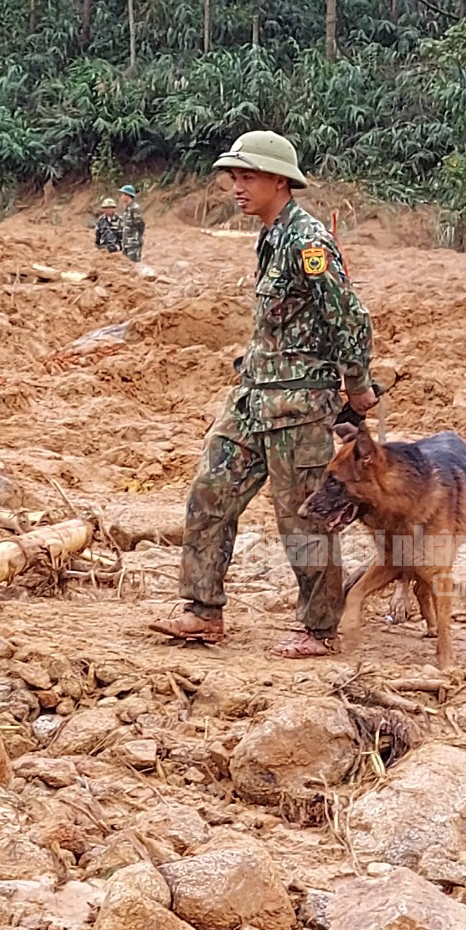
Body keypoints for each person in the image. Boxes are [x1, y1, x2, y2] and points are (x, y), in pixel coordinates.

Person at [153, 130, 374, 660]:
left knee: (302, 516)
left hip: (300, 407)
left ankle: (321, 627)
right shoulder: (270, 236)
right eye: (235, 176)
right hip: (254, 398)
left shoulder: (308, 243)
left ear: (280, 181)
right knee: (210, 492)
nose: (236, 187)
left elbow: (350, 317)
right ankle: (202, 610)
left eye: (247, 177)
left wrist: (358, 386)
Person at [116, 183, 145, 261]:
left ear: (127, 195)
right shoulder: (127, 208)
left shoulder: (134, 208)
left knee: (133, 265)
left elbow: (140, 224)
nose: (121, 196)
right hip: (126, 243)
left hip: (133, 243)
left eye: (123, 194)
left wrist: (137, 238)